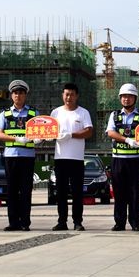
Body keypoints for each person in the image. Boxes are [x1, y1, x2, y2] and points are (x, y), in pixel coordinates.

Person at [51, 82, 94, 231]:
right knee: (61, 192)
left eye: (72, 95)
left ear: (77, 96)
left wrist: (70, 135)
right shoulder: (55, 112)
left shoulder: (83, 113)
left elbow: (89, 132)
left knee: (77, 192)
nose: (69, 97)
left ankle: (77, 222)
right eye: (66, 94)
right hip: (60, 158)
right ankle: (62, 221)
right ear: (62, 95)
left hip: (77, 159)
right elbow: (50, 131)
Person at [106, 83, 139, 231]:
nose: (126, 99)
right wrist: (127, 140)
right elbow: (110, 132)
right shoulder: (114, 115)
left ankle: (136, 223)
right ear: (120, 98)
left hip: (137, 160)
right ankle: (119, 222)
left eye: (130, 96)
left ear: (135, 98)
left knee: (136, 193)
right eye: (124, 96)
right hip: (119, 159)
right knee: (119, 192)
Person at [0, 80, 37, 231]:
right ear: (11, 95)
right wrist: (16, 139)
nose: (18, 95)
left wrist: (39, 139)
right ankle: (13, 222)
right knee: (12, 190)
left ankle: (25, 222)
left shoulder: (33, 113)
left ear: (26, 95)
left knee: (26, 190)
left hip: (27, 156)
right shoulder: (5, 113)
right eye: (15, 93)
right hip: (11, 156)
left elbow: (41, 131)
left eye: (21, 93)